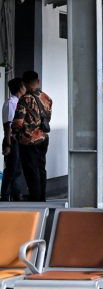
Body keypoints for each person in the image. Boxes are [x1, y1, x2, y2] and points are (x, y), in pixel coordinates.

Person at [13, 71, 53, 202]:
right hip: (43, 138)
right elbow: (47, 119)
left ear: (24, 83)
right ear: (38, 81)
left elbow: (18, 122)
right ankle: (42, 196)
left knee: (31, 170)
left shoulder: (25, 99)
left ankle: (35, 197)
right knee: (41, 167)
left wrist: (16, 133)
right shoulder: (47, 98)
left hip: (29, 140)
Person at [1, 77, 26, 201]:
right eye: (23, 86)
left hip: (17, 140)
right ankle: (4, 196)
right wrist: (8, 144)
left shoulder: (19, 102)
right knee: (11, 169)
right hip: (11, 140)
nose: (25, 88)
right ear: (20, 88)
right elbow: (7, 125)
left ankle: (17, 195)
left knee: (17, 170)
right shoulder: (11, 103)